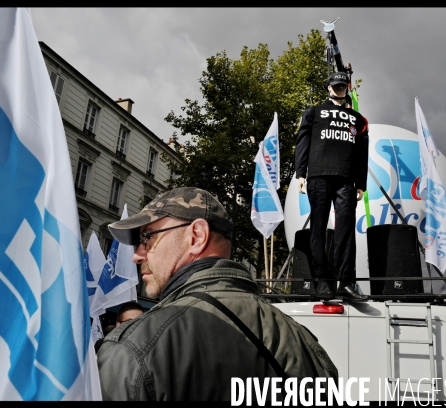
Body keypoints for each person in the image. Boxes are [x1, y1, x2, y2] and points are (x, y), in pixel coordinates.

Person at [96, 187, 338, 401]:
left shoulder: (135, 344)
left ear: (197, 236)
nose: (137, 255)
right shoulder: (303, 341)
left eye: (147, 237)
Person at [295, 71, 369, 301]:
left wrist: (361, 183)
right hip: (318, 176)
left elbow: (361, 152)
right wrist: (300, 172)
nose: (339, 89)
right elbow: (303, 142)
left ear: (347, 88)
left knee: (345, 231)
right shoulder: (314, 112)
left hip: (346, 179)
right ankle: (321, 283)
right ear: (328, 87)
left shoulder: (357, 118)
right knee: (317, 228)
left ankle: (346, 283)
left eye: (342, 86)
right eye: (335, 86)